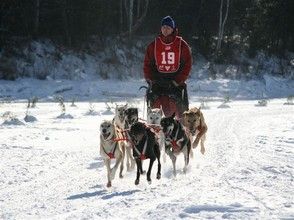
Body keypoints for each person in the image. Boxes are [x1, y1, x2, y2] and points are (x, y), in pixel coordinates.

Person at [143, 15, 192, 119]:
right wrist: (151, 80)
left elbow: (187, 64)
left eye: (168, 28)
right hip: (158, 81)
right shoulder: (153, 45)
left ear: (173, 29)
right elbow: (147, 65)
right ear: (161, 28)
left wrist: (178, 80)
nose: (165, 30)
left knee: (179, 106)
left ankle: (180, 125)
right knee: (153, 100)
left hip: (175, 82)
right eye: (163, 27)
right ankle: (154, 126)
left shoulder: (182, 45)